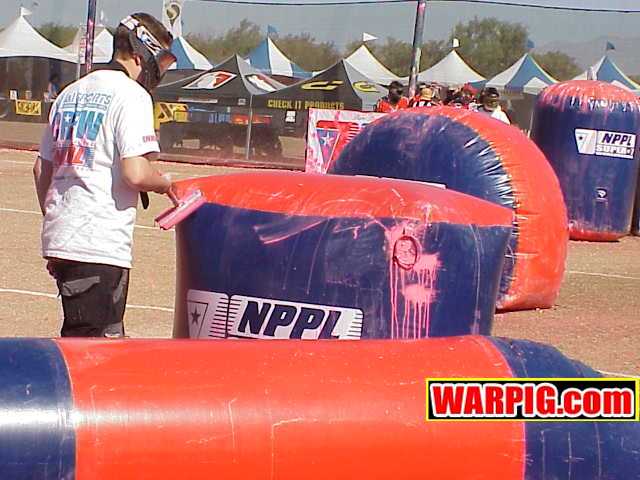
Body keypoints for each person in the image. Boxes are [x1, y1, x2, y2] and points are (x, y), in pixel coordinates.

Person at [33, 13, 178, 337]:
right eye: (162, 62)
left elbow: (41, 168)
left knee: (96, 339)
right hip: (99, 243)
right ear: (142, 54)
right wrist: (165, 183)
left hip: (64, 238)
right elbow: (136, 173)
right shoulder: (132, 95)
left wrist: (60, 222)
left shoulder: (69, 93)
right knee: (93, 349)